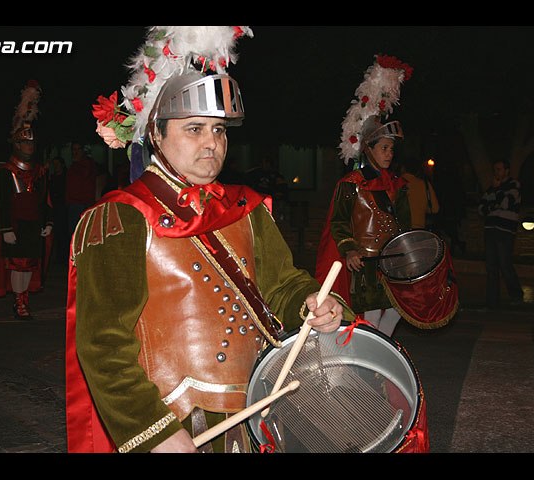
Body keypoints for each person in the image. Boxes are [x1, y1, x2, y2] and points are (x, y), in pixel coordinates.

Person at [65, 26, 349, 454]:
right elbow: (103, 343)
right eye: (194, 129)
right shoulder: (121, 216)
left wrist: (313, 302)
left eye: (219, 131)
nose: (212, 144)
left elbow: (283, 285)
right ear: (157, 135)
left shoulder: (246, 207)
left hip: (258, 410)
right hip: (176, 422)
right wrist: (154, 431)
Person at [316, 55, 413, 337]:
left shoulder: (398, 184)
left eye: (392, 149)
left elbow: (403, 224)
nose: (389, 154)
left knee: (397, 309)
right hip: (366, 262)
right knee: (370, 314)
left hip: (393, 260)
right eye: (384, 148)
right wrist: (349, 250)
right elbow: (339, 222)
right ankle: (373, 357)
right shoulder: (352, 183)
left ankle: (379, 350)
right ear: (369, 149)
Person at [0, 80, 53, 317]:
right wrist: (5, 228)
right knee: (17, 265)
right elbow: (3, 203)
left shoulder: (39, 170)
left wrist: (48, 222)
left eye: (31, 142)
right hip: (16, 225)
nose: (29, 146)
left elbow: (44, 199)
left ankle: (24, 298)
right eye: (24, 142)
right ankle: (19, 301)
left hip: (34, 225)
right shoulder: (6, 172)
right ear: (17, 143)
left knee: (30, 264)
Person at [478, 160, 524, 309]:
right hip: (490, 230)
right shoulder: (492, 188)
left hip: (505, 231)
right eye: (495, 169)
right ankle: (492, 301)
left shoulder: (514, 185)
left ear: (506, 171)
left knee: (505, 265)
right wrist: (493, 196)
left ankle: (516, 295)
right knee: (491, 267)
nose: (496, 172)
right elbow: (481, 209)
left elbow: (505, 203)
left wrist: (494, 199)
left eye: (499, 169)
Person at [65, 142, 97, 237]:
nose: (75, 152)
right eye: (73, 150)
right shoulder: (74, 165)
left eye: (78, 149)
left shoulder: (87, 164)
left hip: (84, 204)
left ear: (82, 150)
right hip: (74, 204)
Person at [400, 156, 439, 229]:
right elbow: (435, 209)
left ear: (403, 168)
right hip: (419, 229)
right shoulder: (424, 184)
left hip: (399, 230)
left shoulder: (394, 184)